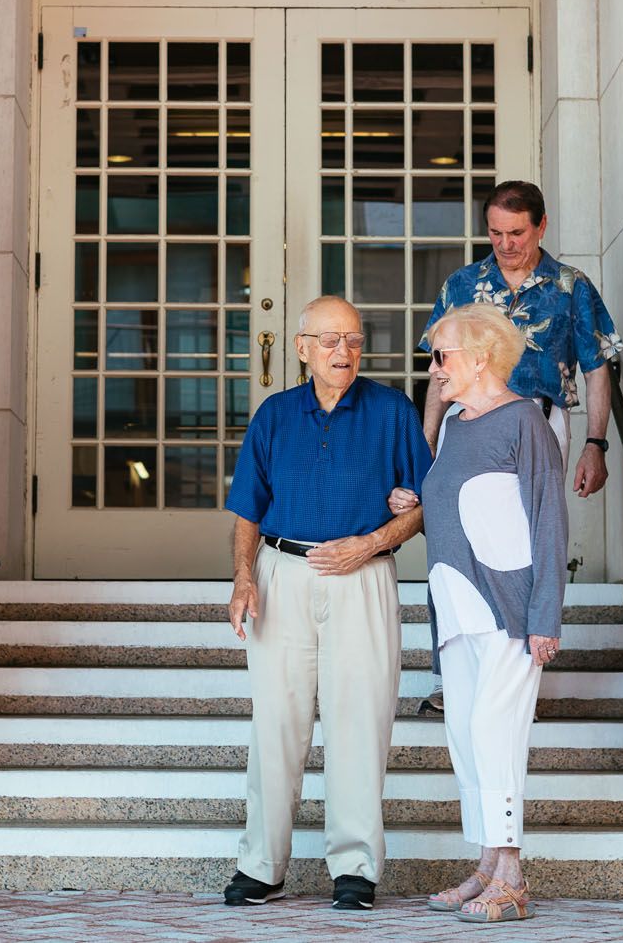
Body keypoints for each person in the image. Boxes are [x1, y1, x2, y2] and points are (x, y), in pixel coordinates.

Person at [222, 296, 433, 911]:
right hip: (281, 573)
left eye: (354, 341)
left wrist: (372, 541)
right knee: (276, 724)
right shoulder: (274, 415)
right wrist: (243, 577)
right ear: (301, 347)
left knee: (360, 720)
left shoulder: (393, 411)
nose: (344, 352)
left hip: (363, 575)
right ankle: (262, 866)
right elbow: (247, 509)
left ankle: (356, 868)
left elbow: (425, 503)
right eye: (330, 341)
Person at [413, 179, 617, 714]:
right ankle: (450, 675)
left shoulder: (572, 287)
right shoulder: (461, 284)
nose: (506, 243)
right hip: (468, 424)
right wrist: (424, 446)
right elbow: (437, 374)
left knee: (528, 545)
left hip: (538, 423)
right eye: (496, 232)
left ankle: (523, 659)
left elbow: (597, 372)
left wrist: (595, 444)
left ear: (541, 226)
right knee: (455, 546)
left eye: (517, 233)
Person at [406, 302, 567, 922]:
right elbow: (451, 505)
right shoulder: (453, 426)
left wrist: (545, 616)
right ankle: (486, 867)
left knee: (495, 736)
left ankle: (514, 876)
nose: (434, 368)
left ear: (480, 358)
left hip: (507, 609)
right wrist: (412, 495)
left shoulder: (524, 421)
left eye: (441, 356)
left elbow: (549, 519)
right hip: (455, 604)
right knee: (466, 738)